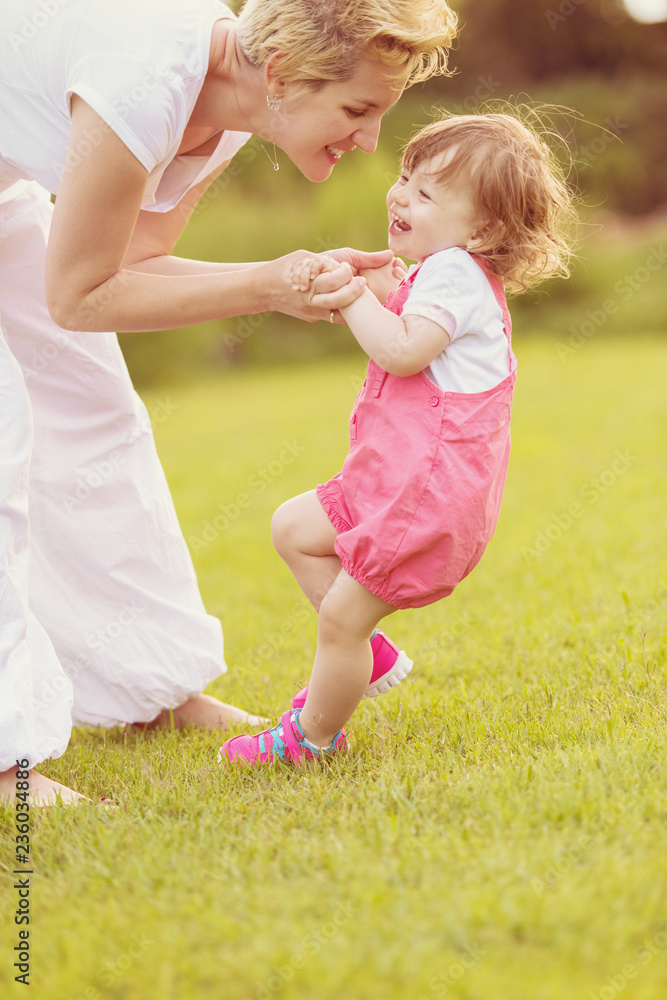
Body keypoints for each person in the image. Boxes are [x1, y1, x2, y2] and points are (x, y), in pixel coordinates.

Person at [0, 0, 459, 804]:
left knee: (96, 411)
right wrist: (265, 285)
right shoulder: (144, 81)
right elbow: (78, 295)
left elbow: (133, 258)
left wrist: (294, 276)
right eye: (357, 109)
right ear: (282, 73)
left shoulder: (234, 103)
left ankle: (148, 688)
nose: (367, 140)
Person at [220, 110, 578, 765]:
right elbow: (403, 308)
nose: (399, 194)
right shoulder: (445, 273)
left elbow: (403, 351)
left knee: (339, 621)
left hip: (423, 497)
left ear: (484, 229)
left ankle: (312, 739)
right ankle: (367, 653)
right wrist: (367, 283)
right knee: (294, 529)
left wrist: (352, 294)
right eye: (404, 177)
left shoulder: (454, 278)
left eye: (425, 192)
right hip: (390, 480)